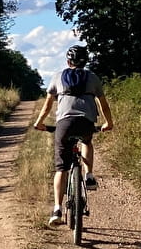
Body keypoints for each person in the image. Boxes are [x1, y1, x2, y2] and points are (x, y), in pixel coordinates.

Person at [34, 45, 113, 226]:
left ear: (68, 61)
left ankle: (57, 209)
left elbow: (47, 106)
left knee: (61, 169)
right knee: (86, 141)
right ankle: (89, 174)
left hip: (64, 124)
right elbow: (104, 105)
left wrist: (39, 123)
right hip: (86, 122)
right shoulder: (92, 77)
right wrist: (109, 123)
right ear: (85, 61)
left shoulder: (57, 77)